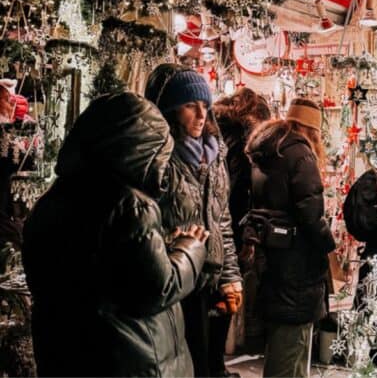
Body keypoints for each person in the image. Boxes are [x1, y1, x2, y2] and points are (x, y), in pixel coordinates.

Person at [21, 92, 208, 376]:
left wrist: (164, 245)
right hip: (128, 360)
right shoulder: (130, 206)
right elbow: (158, 288)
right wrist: (190, 248)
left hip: (67, 356)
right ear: (142, 151)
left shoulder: (52, 201)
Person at [145, 64, 243, 378]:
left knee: (213, 366)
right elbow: (146, 223)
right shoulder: (160, 161)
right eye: (191, 106)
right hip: (178, 283)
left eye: (205, 106)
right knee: (187, 367)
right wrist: (174, 241)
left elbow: (222, 221)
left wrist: (230, 276)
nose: (201, 115)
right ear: (172, 111)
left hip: (212, 281)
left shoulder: (215, 156)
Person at [244, 98, 337, 377]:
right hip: (297, 265)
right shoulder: (301, 154)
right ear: (313, 130)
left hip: (274, 260)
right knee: (292, 350)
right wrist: (328, 248)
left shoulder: (269, 150)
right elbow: (311, 215)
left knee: (281, 345)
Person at [214, 87, 272, 352]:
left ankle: (212, 363)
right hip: (228, 226)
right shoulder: (242, 140)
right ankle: (214, 365)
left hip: (210, 223)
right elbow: (235, 189)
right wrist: (244, 233)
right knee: (225, 293)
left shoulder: (216, 130)